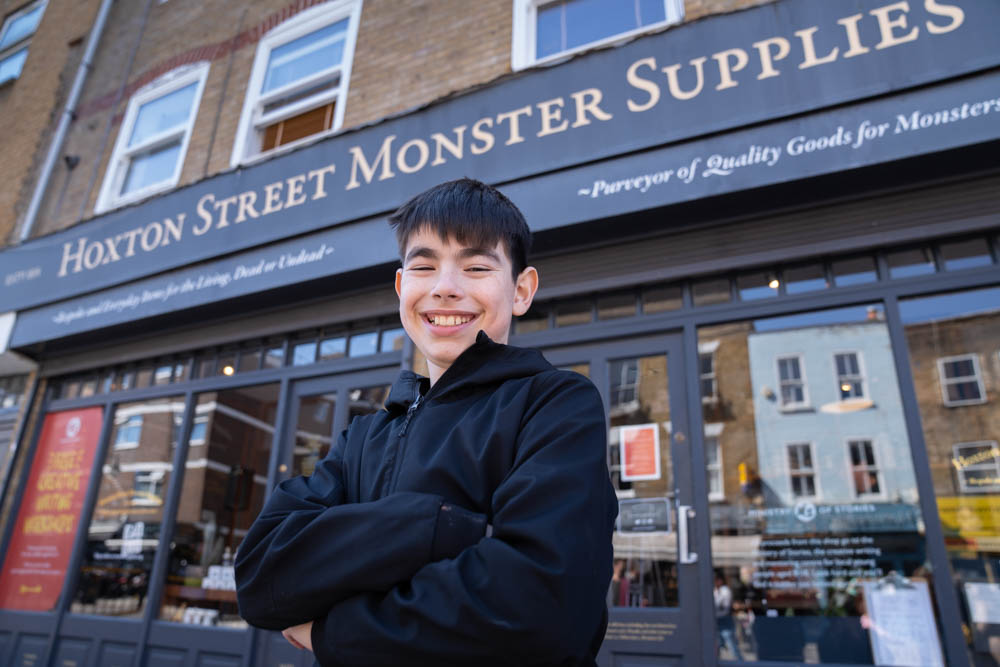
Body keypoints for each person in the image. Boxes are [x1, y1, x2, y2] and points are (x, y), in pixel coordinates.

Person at [235, 178, 618, 666]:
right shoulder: (364, 437)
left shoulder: (555, 404)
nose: (445, 288)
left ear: (521, 290)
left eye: (477, 266)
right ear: (401, 287)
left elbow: (541, 608)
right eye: (423, 266)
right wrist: (441, 528)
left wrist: (334, 631)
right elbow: (259, 578)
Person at [715, 572, 745, 661]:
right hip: (716, 620)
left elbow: (724, 606)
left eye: (716, 580)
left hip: (725, 619)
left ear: (720, 581)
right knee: (718, 644)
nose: (715, 582)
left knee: (731, 643)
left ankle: (740, 662)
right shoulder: (715, 590)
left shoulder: (725, 590)